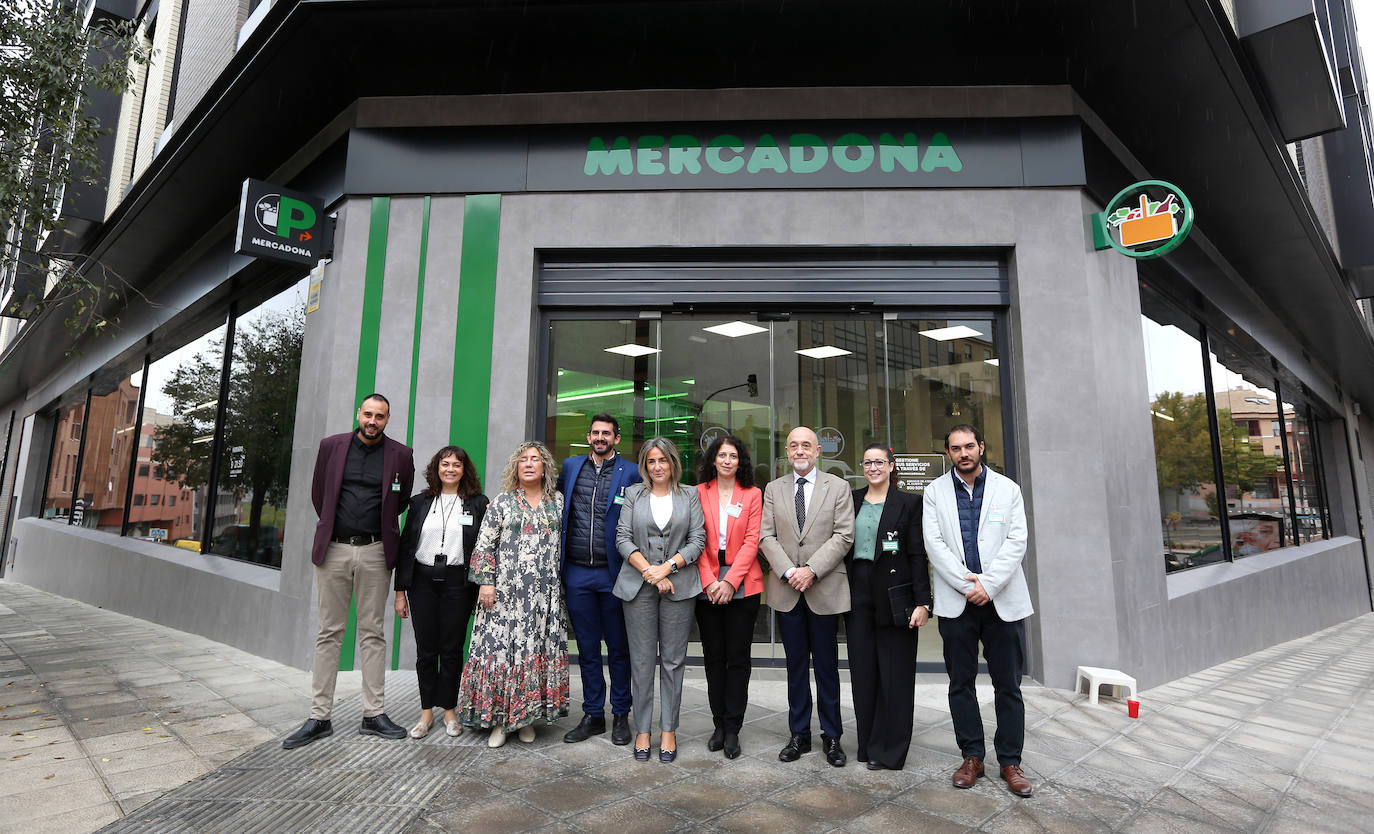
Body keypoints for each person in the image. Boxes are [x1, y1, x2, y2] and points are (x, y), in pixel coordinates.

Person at [284, 393, 414, 749]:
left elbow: (399, 502)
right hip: (335, 550)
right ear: (358, 413)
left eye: (381, 416)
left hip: (375, 551)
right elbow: (318, 494)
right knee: (330, 632)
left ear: (388, 419)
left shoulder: (401, 455)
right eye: (368, 414)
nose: (373, 421)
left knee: (373, 632)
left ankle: (374, 714)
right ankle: (319, 717)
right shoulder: (331, 447)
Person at [923, 424, 1034, 797]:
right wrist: (967, 585)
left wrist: (989, 585)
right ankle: (972, 756)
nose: (963, 453)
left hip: (1001, 601)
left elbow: (1018, 540)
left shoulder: (1008, 489)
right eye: (956, 448)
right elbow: (934, 543)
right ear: (948, 452)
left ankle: (1010, 761)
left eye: (969, 446)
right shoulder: (934, 492)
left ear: (981, 447)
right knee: (960, 684)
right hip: (959, 603)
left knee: (1008, 685)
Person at [456, 441, 570, 748]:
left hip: (542, 597)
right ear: (515, 468)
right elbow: (483, 547)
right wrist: (486, 583)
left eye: (535, 459)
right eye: (523, 460)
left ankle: (526, 720)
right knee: (500, 656)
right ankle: (500, 723)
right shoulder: (503, 503)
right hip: (505, 596)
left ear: (545, 466)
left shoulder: (556, 502)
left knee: (532, 654)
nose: (529, 464)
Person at [759, 426, 855, 768]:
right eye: (794, 446)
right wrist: (789, 572)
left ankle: (832, 736)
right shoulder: (773, 489)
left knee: (827, 668)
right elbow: (766, 537)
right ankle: (799, 734)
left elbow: (844, 536)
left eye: (806, 446)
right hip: (788, 591)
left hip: (824, 589)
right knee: (796, 667)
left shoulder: (838, 486)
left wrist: (811, 569)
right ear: (787, 452)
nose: (800, 451)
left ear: (817, 451)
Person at [614, 437, 705, 762]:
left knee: (673, 661)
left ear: (673, 463)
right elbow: (622, 537)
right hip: (637, 587)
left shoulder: (690, 495)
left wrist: (667, 568)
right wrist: (649, 571)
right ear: (645, 466)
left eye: (663, 461)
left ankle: (668, 729)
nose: (657, 467)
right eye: (651, 461)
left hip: (679, 587)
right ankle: (642, 729)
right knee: (640, 661)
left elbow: (698, 539)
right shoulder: (634, 494)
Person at [847, 443, 932, 771]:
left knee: (895, 675)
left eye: (879, 462)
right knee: (863, 673)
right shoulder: (852, 500)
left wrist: (923, 602)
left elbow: (916, 554)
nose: (873, 468)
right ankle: (868, 743)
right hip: (857, 592)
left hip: (896, 593)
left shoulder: (909, 503)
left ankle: (891, 749)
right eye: (867, 462)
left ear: (891, 465)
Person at [393, 446, 488, 739]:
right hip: (422, 581)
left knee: (451, 649)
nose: (450, 469)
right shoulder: (420, 502)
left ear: (464, 470)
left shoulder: (477, 504)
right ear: (436, 468)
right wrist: (400, 591)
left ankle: (449, 710)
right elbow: (406, 548)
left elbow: (482, 550)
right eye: (444, 464)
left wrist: (477, 590)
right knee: (426, 650)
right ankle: (425, 714)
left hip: (458, 582)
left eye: (456, 465)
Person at [557, 414, 641, 745]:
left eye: (606, 433)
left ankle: (621, 714)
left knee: (619, 648)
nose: (600, 437)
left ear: (617, 439)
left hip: (614, 573)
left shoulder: (631, 472)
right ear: (588, 436)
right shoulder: (570, 466)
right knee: (588, 648)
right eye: (595, 432)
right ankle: (593, 714)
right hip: (577, 571)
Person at [694, 434, 764, 760]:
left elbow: (752, 542)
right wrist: (710, 581)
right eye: (722, 455)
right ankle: (718, 723)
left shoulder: (752, 495)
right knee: (713, 659)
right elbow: (695, 539)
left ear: (740, 461)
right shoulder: (698, 493)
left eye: (732, 455)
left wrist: (730, 582)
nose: (726, 460)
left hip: (743, 584)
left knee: (738, 660)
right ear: (713, 459)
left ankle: (734, 727)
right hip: (706, 583)